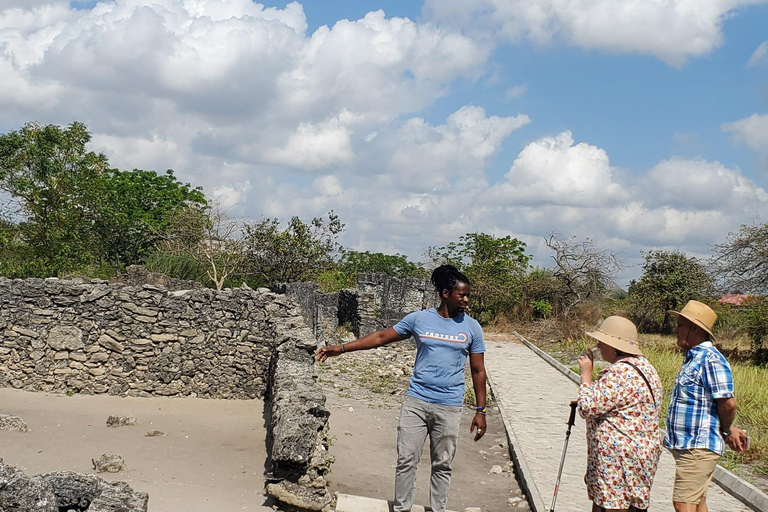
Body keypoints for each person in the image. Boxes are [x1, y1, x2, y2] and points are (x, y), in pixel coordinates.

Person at [314, 264, 487, 512]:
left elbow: (478, 370)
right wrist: (340, 348)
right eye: (462, 295)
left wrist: (481, 410)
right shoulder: (419, 319)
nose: (467, 300)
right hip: (416, 401)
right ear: (446, 293)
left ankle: (438, 509)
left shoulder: (471, 328)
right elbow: (381, 338)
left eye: (468, 295)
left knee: (443, 463)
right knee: (406, 460)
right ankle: (402, 508)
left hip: (449, 405)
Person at [664, 300, 747, 512]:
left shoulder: (710, 359)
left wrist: (727, 429)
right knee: (697, 503)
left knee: (684, 504)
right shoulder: (694, 358)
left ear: (695, 328)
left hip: (697, 446)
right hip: (690, 446)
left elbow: (727, 403)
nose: (676, 329)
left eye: (680, 325)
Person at [576, 316, 663, 512]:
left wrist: (586, 376)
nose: (598, 346)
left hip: (618, 458)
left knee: (612, 506)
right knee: (633, 506)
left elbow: (587, 407)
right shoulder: (647, 368)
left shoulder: (619, 373)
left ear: (615, 346)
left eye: (602, 342)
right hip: (642, 455)